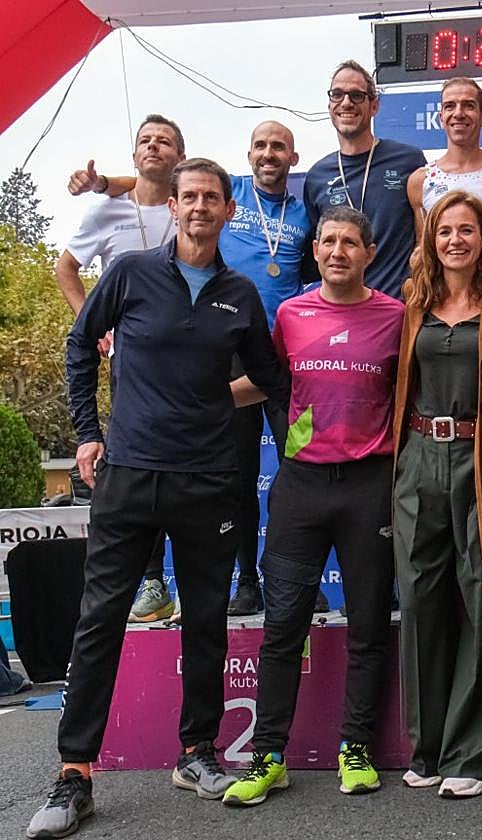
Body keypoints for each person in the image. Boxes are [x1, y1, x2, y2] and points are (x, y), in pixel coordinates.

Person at [28, 159, 291, 840]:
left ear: (229, 212)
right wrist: (87, 435)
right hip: (129, 476)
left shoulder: (240, 294)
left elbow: (272, 380)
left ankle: (197, 754)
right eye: (190, 197)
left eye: (213, 198)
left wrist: (300, 451)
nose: (201, 207)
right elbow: (81, 344)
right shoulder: (130, 273)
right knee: (100, 623)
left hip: (208, 482)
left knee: (205, 622)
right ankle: (75, 773)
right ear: (172, 206)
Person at [73, 121, 311, 616]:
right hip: (200, 351)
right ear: (247, 156)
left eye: (280, 147)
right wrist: (102, 185)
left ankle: (285, 580)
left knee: (298, 474)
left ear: (294, 156)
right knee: (238, 478)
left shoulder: (308, 200)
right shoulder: (227, 187)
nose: (269, 154)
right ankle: (203, 581)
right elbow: (157, 176)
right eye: (261, 146)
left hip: (271, 351)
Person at [221, 207, 404, 805]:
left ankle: (356, 748)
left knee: (369, 625)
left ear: (368, 252)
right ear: (317, 250)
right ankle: (268, 755)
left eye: (351, 242)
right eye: (328, 241)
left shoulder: (396, 317)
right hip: (300, 486)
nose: (338, 251)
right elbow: (270, 383)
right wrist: (194, 398)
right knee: (283, 628)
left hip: (368, 484)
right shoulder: (291, 314)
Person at [391, 190, 482, 799]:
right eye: (445, 230)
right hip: (420, 456)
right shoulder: (411, 301)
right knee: (421, 601)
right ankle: (427, 747)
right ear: (431, 238)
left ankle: (472, 753)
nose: (455, 240)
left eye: (467, 230)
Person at [58, 114, 186, 624]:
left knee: (206, 471)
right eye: (145, 141)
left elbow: (160, 186)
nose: (154, 147)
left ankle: (227, 579)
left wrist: (108, 178)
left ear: (180, 156)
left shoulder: (189, 205)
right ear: (134, 154)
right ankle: (151, 581)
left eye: (165, 142)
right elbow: (65, 266)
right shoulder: (105, 212)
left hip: (193, 355)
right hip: (131, 364)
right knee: (142, 468)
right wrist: (92, 322)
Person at [305, 59, 426, 300]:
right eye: (337, 95)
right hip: (343, 312)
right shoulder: (317, 176)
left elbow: (425, 237)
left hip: (400, 310)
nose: (346, 102)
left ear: (374, 106)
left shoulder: (408, 160)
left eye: (357, 96)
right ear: (330, 105)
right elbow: (316, 256)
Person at [407, 77, 482, 255]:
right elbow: (423, 251)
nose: (458, 113)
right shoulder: (421, 180)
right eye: (450, 106)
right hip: (446, 282)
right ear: (441, 117)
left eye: (468, 105)